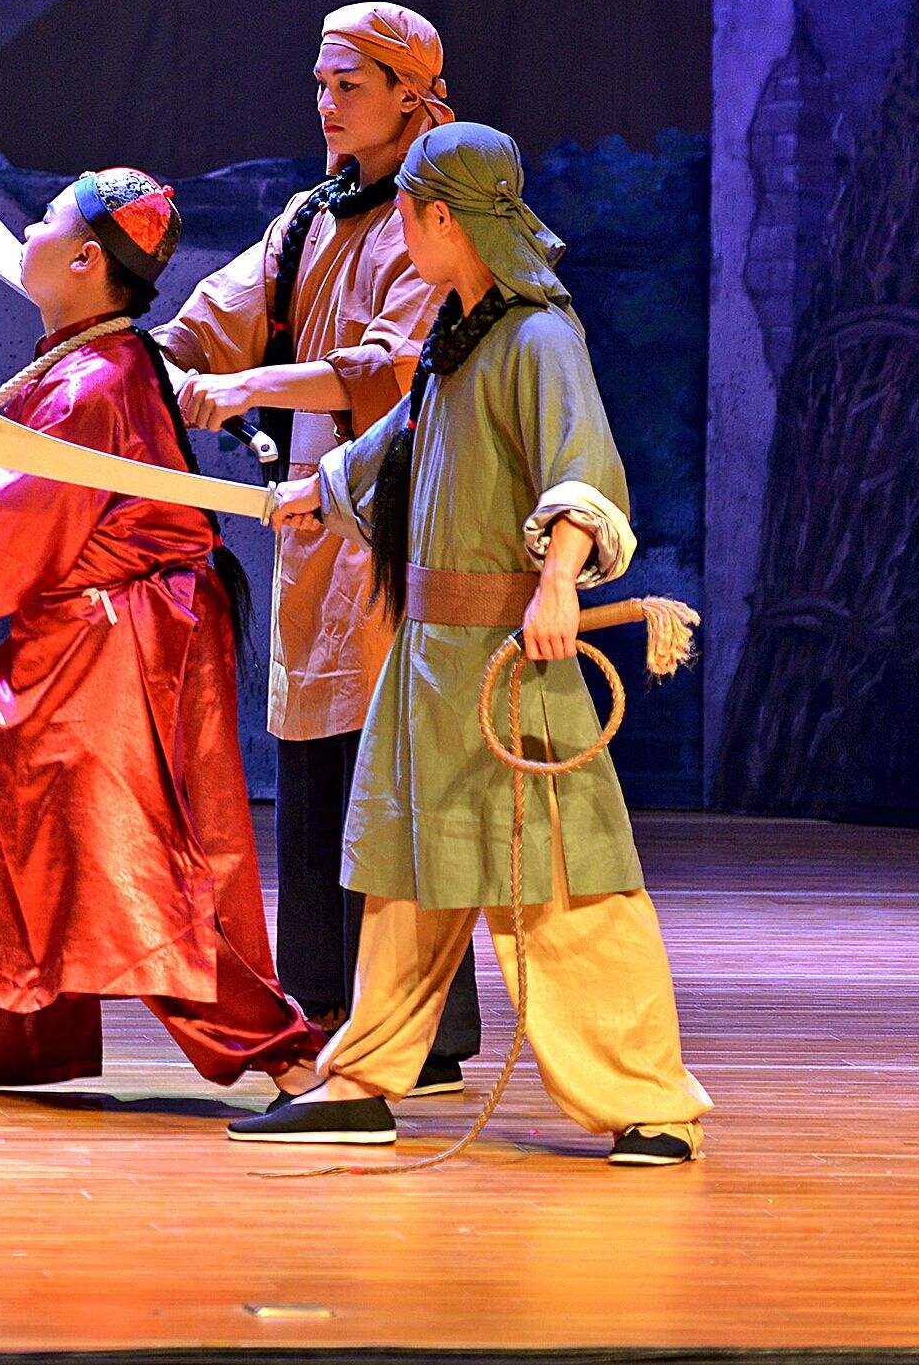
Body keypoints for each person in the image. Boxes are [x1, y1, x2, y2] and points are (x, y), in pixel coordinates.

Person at [228, 122, 711, 1165]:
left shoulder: (537, 336)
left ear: (441, 217)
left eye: (407, 213)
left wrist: (556, 580)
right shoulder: (460, 334)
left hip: (506, 659)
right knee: (404, 871)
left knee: (565, 879)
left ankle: (648, 1100)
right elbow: (406, 439)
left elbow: (578, 465)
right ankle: (363, 1078)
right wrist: (323, 488)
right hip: (427, 657)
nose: (399, 230)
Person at [0, 170, 320, 1095]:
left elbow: (21, 533)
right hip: (92, 632)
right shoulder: (93, 364)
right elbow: (56, 503)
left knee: (130, 862)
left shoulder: (96, 377)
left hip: (117, 646)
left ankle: (290, 1057)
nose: (30, 228)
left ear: (87, 259)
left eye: (47, 217)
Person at [152, 1, 484, 1090]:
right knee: (317, 762)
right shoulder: (308, 217)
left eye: (350, 84)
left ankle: (416, 1023)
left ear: (409, 94)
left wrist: (248, 384)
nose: (327, 103)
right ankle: (333, 1008)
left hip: (403, 521)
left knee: (393, 769)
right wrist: (135, 358)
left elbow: (388, 371)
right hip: (312, 528)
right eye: (320, 83)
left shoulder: (435, 221)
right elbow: (211, 322)